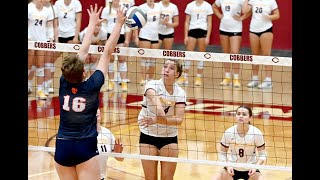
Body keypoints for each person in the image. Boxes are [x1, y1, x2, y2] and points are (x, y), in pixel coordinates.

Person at [54, 4, 126, 179]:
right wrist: (118, 25)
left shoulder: (63, 82)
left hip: (62, 146)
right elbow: (107, 52)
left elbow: (83, 50)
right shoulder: (92, 86)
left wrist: (92, 23)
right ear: (84, 73)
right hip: (84, 146)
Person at [138, 58, 186, 180]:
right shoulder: (152, 84)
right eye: (165, 66)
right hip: (148, 135)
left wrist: (158, 120)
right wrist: (160, 111)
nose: (167, 70)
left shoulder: (180, 93)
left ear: (177, 74)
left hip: (169, 137)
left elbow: (179, 120)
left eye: (171, 68)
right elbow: (153, 97)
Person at [211, 105, 266, 180]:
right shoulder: (228, 132)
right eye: (238, 114)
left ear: (250, 118)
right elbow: (222, 153)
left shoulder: (256, 133)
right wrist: (228, 166)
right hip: (232, 167)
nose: (240, 116)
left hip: (250, 169)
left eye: (244, 114)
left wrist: (255, 167)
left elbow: (262, 156)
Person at [212, 0, 249, 88]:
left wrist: (242, 18)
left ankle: (236, 78)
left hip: (236, 29)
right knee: (226, 53)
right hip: (223, 28)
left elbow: (247, 11)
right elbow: (214, 6)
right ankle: (227, 77)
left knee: (235, 53)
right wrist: (220, 16)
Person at [244, 0, 280, 89]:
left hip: (266, 29)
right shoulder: (253, 0)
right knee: (255, 55)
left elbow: (277, 15)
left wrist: (269, 16)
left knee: (266, 55)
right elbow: (244, 11)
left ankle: (268, 81)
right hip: (253, 30)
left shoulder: (271, 1)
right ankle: (255, 79)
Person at [177, 0, 213, 86]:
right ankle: (184, 77)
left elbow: (209, 23)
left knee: (201, 55)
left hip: (202, 30)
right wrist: (186, 36)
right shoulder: (190, 5)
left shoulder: (207, 6)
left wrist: (208, 36)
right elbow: (186, 22)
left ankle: (198, 78)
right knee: (188, 54)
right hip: (192, 30)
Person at [28, 0, 54, 99]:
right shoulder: (29, 8)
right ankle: (28, 85)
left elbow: (49, 27)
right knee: (29, 64)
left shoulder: (47, 11)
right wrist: (29, 38)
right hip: (30, 41)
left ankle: (40, 90)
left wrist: (50, 40)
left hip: (42, 41)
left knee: (40, 64)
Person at [101, 0, 129, 92]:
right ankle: (111, 82)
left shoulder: (123, 8)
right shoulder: (106, 10)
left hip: (120, 36)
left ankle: (124, 82)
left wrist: (127, 39)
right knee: (111, 59)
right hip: (109, 35)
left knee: (122, 59)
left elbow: (127, 25)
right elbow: (103, 25)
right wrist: (105, 39)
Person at [135, 0, 161, 86]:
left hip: (155, 36)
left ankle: (151, 79)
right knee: (144, 58)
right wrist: (136, 36)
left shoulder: (158, 6)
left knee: (153, 59)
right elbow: (136, 22)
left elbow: (161, 18)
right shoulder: (142, 7)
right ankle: (143, 79)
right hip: (144, 35)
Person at [96, 109, 124, 180]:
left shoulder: (107, 132)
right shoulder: (83, 133)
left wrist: (118, 153)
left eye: (97, 109)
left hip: (101, 177)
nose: (96, 112)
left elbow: (120, 159)